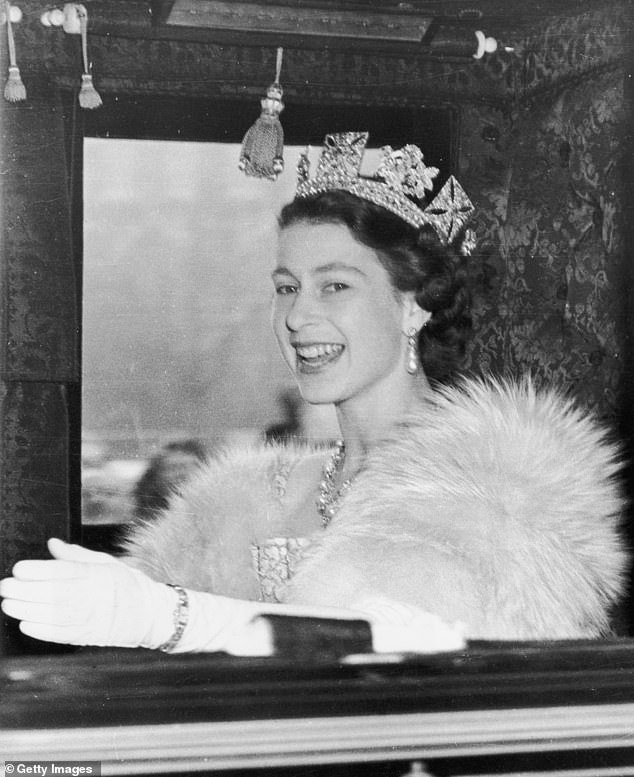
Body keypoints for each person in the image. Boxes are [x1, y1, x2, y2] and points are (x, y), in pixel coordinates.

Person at [0, 132, 627, 655]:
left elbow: (416, 666)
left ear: (413, 307)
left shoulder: (508, 488)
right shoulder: (242, 499)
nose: (297, 316)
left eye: (335, 287)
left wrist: (170, 618)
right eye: (285, 286)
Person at [132, 439, 209, 522]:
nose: (181, 474)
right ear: (156, 477)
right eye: (173, 468)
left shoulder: (213, 508)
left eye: (186, 467)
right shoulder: (146, 517)